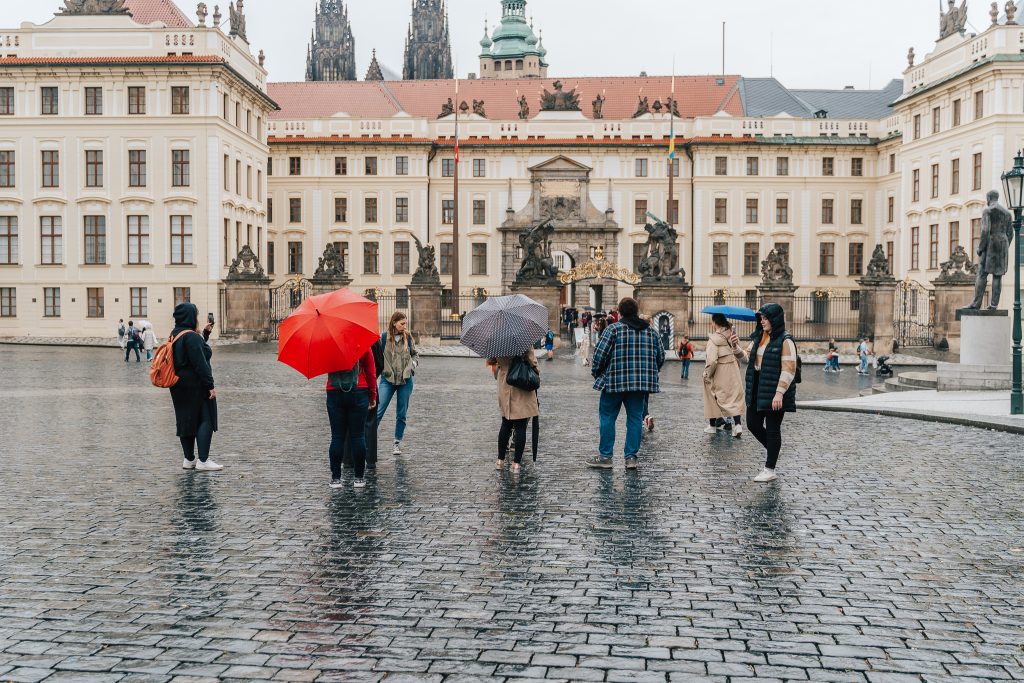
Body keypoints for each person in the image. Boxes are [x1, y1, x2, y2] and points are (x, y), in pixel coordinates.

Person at [587, 297, 665, 470]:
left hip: (614, 381)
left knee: (607, 417)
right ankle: (631, 457)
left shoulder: (613, 330)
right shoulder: (651, 332)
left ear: (620, 313)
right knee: (635, 419)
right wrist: (648, 372)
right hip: (639, 384)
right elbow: (660, 357)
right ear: (636, 312)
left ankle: (606, 456)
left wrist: (598, 373)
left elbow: (600, 356)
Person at [743, 303, 797, 483]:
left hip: (775, 390)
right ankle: (774, 448)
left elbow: (789, 369)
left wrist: (779, 393)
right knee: (752, 424)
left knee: (773, 429)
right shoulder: (759, 337)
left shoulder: (785, 340)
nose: (762, 321)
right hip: (757, 387)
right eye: (761, 318)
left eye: (765, 318)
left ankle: (769, 469)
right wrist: (735, 348)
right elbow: (747, 358)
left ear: (774, 319)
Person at [168, 303, 222, 472]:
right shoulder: (191, 337)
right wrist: (210, 386)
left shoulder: (175, 334)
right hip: (195, 385)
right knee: (205, 418)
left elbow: (191, 351)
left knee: (186, 418)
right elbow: (200, 363)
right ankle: (203, 460)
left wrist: (204, 334)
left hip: (178, 385)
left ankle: (189, 459)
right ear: (191, 317)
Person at [326, 346, 378, 490]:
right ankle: (359, 478)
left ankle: (336, 479)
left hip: (334, 390)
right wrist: (372, 395)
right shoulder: (362, 343)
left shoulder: (328, 346)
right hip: (359, 390)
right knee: (358, 436)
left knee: (337, 437)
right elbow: (371, 372)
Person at [489, 349, 540, 474]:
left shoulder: (497, 340)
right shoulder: (522, 339)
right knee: (520, 425)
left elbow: (491, 360)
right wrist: (536, 370)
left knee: (505, 422)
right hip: (520, 380)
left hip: (505, 380)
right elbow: (532, 361)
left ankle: (500, 460)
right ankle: (516, 464)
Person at [377, 312, 418, 456]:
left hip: (405, 380)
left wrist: (413, 364)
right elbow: (377, 356)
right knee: (378, 410)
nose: (404, 326)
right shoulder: (383, 338)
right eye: (402, 323)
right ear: (394, 323)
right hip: (387, 380)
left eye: (405, 323)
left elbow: (415, 354)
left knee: (401, 413)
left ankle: (396, 442)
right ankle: (368, 439)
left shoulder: (408, 337)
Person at [702, 314, 746, 438]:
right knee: (734, 398)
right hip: (733, 370)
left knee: (713, 395)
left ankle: (712, 426)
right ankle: (737, 425)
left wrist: (707, 374)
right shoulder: (732, 336)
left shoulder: (713, 340)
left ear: (715, 323)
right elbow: (738, 351)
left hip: (720, 372)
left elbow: (712, 361)